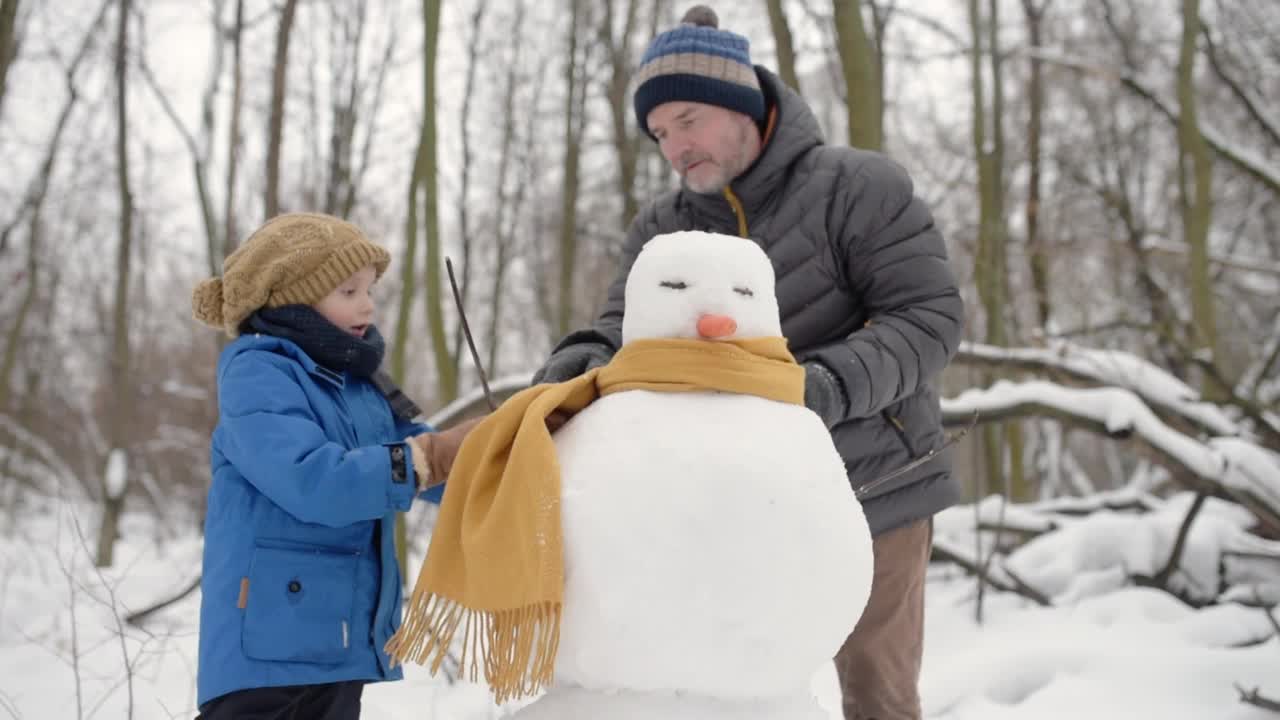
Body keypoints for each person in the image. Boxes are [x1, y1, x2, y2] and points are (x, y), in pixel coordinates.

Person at [531, 7, 964, 720]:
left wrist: (818, 389)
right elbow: (621, 328)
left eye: (688, 120)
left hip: (875, 487)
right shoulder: (662, 226)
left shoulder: (857, 187)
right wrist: (579, 363)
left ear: (744, 105)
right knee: (726, 692)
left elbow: (928, 318)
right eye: (661, 133)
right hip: (729, 501)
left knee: (877, 699)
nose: (674, 146)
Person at [190, 212, 481, 719]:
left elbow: (421, 458)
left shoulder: (360, 386)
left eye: (369, 290)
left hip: (338, 639)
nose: (367, 304)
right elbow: (313, 480)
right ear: (293, 299)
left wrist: (493, 452)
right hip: (267, 647)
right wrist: (426, 460)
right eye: (349, 291)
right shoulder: (258, 373)